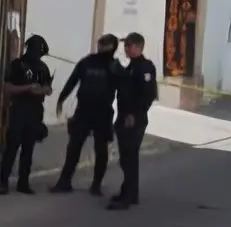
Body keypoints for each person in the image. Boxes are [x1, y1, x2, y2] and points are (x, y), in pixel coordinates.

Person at [50, 33, 124, 195]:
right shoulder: (87, 62)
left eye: (105, 45)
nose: (101, 47)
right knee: (74, 146)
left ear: (112, 47)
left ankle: (96, 185)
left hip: (103, 112)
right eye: (101, 44)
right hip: (83, 110)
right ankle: (64, 181)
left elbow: (124, 91)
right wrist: (61, 99)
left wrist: (126, 113)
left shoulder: (115, 67)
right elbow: (73, 80)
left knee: (101, 149)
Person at [0, 34, 52, 195]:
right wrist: (27, 88)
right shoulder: (17, 65)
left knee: (28, 149)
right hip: (18, 110)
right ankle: (3, 183)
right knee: (11, 148)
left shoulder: (43, 68)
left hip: (35, 112)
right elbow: (7, 88)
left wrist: (42, 90)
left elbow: (47, 89)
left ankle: (23, 183)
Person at [109, 32, 158, 211]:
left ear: (139, 47)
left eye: (129, 45)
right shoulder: (131, 67)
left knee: (129, 157)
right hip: (124, 117)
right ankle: (130, 192)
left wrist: (134, 115)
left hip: (134, 119)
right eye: (126, 45)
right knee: (126, 158)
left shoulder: (144, 67)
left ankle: (128, 197)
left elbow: (148, 95)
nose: (126, 48)